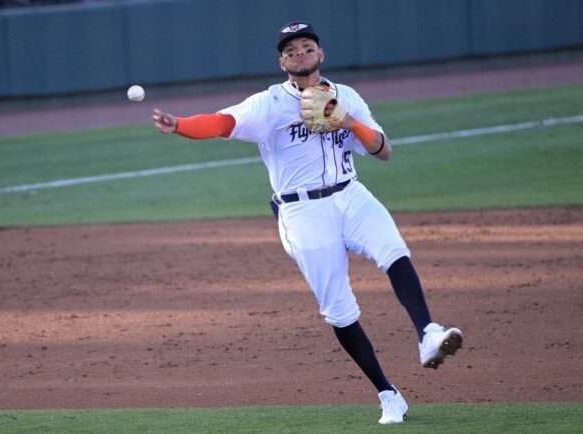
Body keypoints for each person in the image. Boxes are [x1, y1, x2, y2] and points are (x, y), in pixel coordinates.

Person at [151, 21, 463, 425]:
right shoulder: (269, 104)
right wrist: (180, 126)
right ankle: (388, 395)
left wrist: (347, 120)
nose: (300, 52)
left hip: (350, 194)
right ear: (282, 61)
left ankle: (428, 334)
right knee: (339, 308)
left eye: (307, 45)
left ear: (321, 54)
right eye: (291, 49)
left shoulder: (346, 96)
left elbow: (383, 151)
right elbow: (221, 123)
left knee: (394, 250)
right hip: (301, 212)